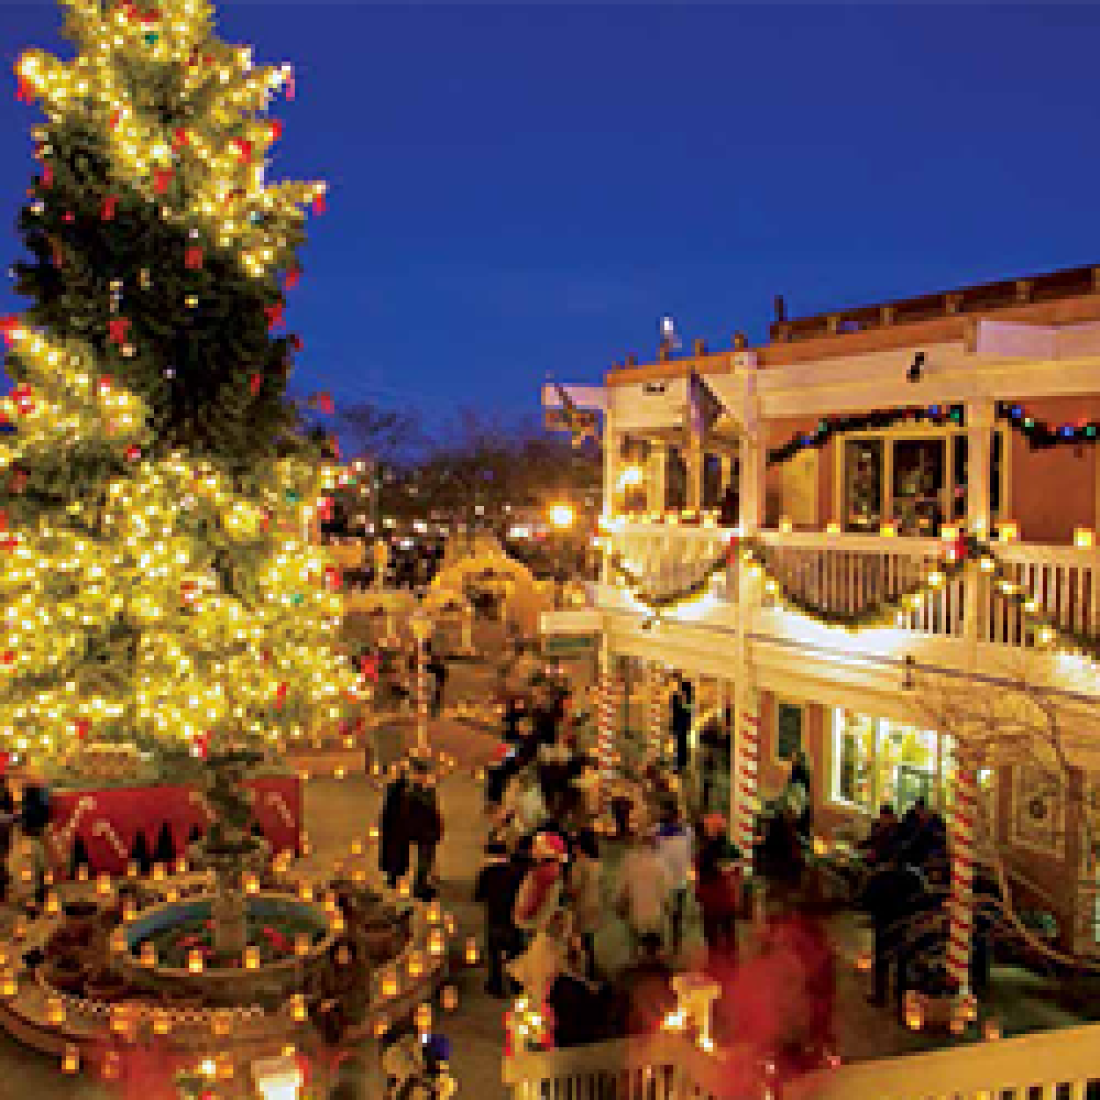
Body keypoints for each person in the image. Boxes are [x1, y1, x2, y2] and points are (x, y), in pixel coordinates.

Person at [474, 839, 527, 997]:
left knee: (495, 953)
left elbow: (478, 896)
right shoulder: (517, 872)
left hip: (495, 918)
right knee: (515, 953)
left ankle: (496, 985)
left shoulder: (487, 873)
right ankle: (516, 984)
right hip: (514, 919)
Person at [615, 829, 672, 954]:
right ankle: (654, 958)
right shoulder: (660, 864)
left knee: (636, 942)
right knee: (655, 942)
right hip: (655, 913)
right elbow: (665, 891)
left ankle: (639, 959)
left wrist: (620, 903)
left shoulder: (630, 861)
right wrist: (668, 906)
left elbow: (623, 887)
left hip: (636, 912)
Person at [695, 813, 741, 964]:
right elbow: (737, 865)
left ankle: (715, 963)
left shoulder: (706, 851)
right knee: (729, 929)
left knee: (712, 931)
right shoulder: (731, 847)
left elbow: (703, 871)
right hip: (726, 894)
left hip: (711, 895)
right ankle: (731, 961)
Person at [613, 931, 676, 1037]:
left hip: (655, 1032)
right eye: (648, 950)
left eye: (652, 950)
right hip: (638, 1033)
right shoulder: (628, 976)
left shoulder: (668, 975)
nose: (650, 955)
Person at [654, 799, 693, 955]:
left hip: (663, 880)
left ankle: (662, 945)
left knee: (662, 913)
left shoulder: (656, 832)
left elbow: (653, 850)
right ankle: (675, 944)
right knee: (677, 914)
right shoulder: (688, 831)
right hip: (680, 879)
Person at [565, 827, 602, 978]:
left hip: (582, 906)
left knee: (578, 940)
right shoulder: (597, 863)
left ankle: (582, 971)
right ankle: (592, 968)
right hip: (596, 904)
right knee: (589, 939)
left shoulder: (579, 864)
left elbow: (573, 889)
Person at [405, 759, 443, 900]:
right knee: (424, 859)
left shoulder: (419, 788)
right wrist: (429, 791)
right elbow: (427, 806)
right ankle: (419, 887)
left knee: (427, 857)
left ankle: (422, 884)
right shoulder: (415, 790)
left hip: (426, 828)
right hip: (423, 830)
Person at [379, 763, 412, 890]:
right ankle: (394, 875)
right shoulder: (400, 792)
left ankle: (393, 876)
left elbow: (389, 810)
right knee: (396, 854)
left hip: (395, 828)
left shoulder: (395, 791)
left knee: (394, 853)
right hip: (397, 828)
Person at [669, 676, 693, 774]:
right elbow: (674, 710)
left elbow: (687, 713)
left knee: (681, 745)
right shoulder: (676, 698)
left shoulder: (688, 701)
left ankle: (680, 764)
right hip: (679, 725)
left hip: (683, 727)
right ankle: (680, 763)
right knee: (679, 745)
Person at [426, 647, 448, 718]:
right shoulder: (433, 660)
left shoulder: (431, 660)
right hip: (436, 681)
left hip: (436, 680)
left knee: (435, 696)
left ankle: (434, 712)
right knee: (436, 696)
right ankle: (434, 711)